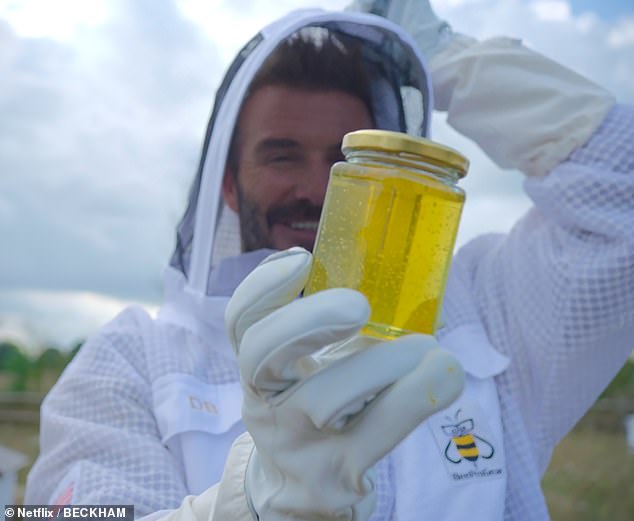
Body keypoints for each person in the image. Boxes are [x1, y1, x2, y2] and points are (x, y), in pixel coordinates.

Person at [25, 1, 633, 520]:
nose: (322, 189)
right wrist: (250, 504)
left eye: (350, 161)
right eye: (283, 155)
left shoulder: (481, 307)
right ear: (229, 187)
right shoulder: (130, 362)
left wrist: (445, 60)